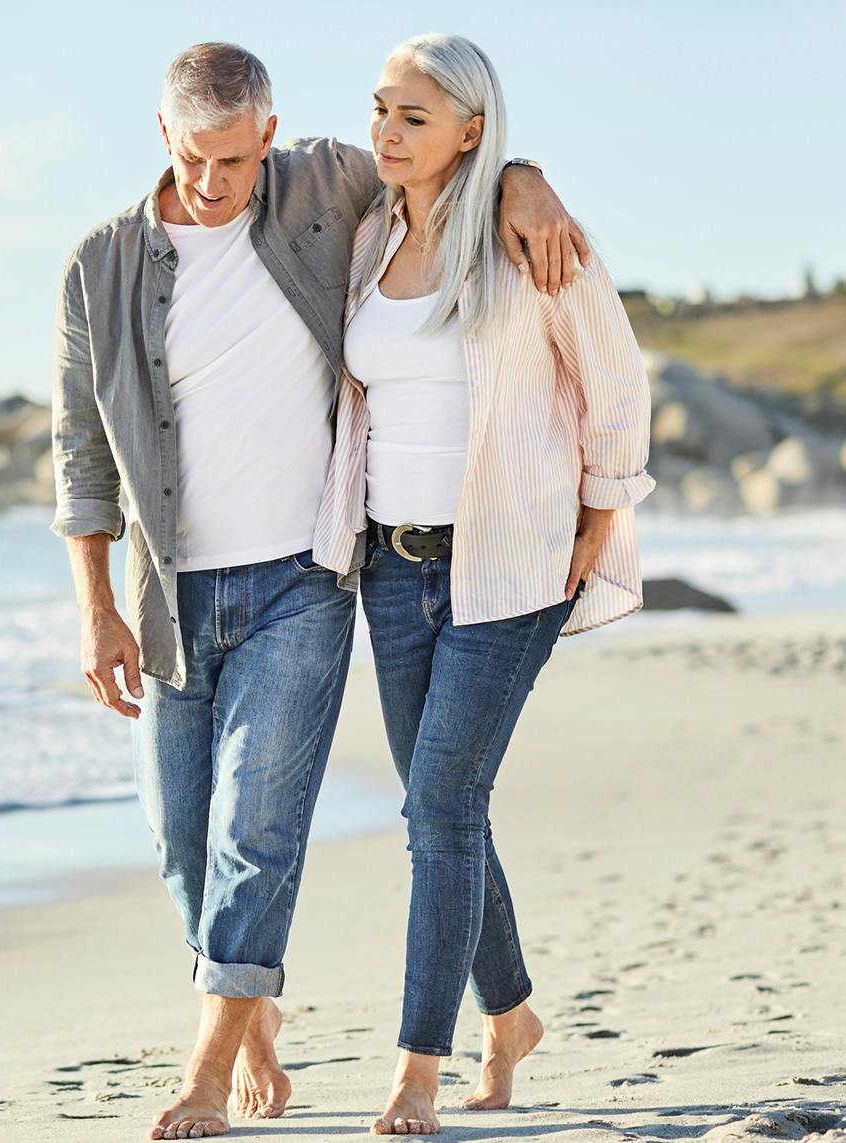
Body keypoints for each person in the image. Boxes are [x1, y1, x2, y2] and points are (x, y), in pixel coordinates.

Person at [51, 40, 588, 1141]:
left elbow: (448, 153)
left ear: (269, 135)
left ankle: (204, 1070)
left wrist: (527, 175)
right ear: (163, 135)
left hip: (302, 579)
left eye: (236, 162)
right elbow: (81, 459)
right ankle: (260, 1015)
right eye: (194, 160)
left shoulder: (322, 184)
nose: (214, 185)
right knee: (177, 843)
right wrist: (95, 605)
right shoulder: (98, 266)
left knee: (261, 834)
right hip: (168, 599)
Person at [312, 32, 655, 1136]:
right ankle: (509, 1015)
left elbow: (615, 383)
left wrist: (597, 522)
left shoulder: (528, 237)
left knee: (442, 809)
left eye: (413, 117)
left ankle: (418, 1067)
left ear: (471, 127)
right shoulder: (366, 234)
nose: (386, 134)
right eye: (379, 111)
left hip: (509, 567)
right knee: (437, 809)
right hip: (389, 567)